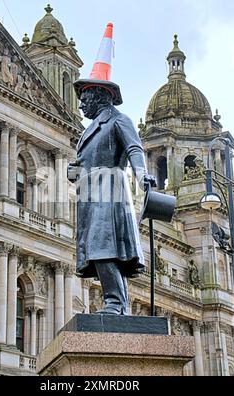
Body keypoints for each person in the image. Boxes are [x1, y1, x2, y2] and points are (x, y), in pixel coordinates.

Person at [68, 83, 149, 315]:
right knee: (101, 247)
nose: (81, 103)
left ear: (100, 97)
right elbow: (86, 161)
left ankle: (114, 302)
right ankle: (118, 305)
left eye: (85, 98)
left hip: (110, 189)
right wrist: (75, 171)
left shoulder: (118, 120)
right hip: (91, 193)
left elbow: (134, 148)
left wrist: (142, 175)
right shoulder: (89, 129)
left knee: (103, 246)